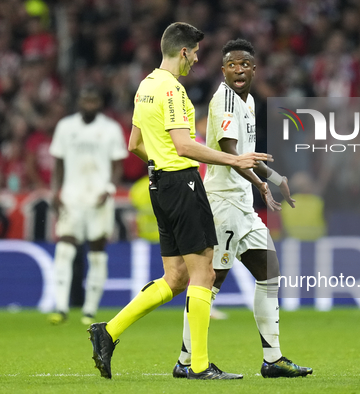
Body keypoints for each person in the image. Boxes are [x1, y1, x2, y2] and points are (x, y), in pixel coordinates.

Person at [87, 23, 270, 380]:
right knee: (204, 272)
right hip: (182, 184)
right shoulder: (172, 91)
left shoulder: (146, 87)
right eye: (196, 52)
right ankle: (198, 366)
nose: (198, 59)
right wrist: (234, 160)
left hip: (160, 185)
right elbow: (185, 146)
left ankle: (107, 332)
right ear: (183, 51)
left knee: (175, 278)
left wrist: (162, 167)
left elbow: (135, 144)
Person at [172, 38, 312, 379]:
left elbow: (247, 156)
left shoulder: (247, 102)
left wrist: (276, 178)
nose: (239, 70)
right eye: (233, 64)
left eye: (246, 65)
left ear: (254, 70)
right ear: (223, 70)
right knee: (209, 281)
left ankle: (273, 360)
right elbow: (232, 151)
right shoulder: (224, 100)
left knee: (269, 273)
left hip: (242, 205)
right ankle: (186, 360)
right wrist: (261, 183)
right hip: (223, 203)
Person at [47, 87, 127, 325]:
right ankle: (61, 307)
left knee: (97, 253)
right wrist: (56, 190)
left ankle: (89, 310)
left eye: (94, 100)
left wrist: (110, 189)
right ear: (79, 101)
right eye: (86, 99)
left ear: (100, 102)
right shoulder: (65, 127)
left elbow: (117, 164)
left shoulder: (110, 129)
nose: (90, 104)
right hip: (72, 196)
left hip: (98, 197)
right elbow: (59, 162)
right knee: (65, 248)